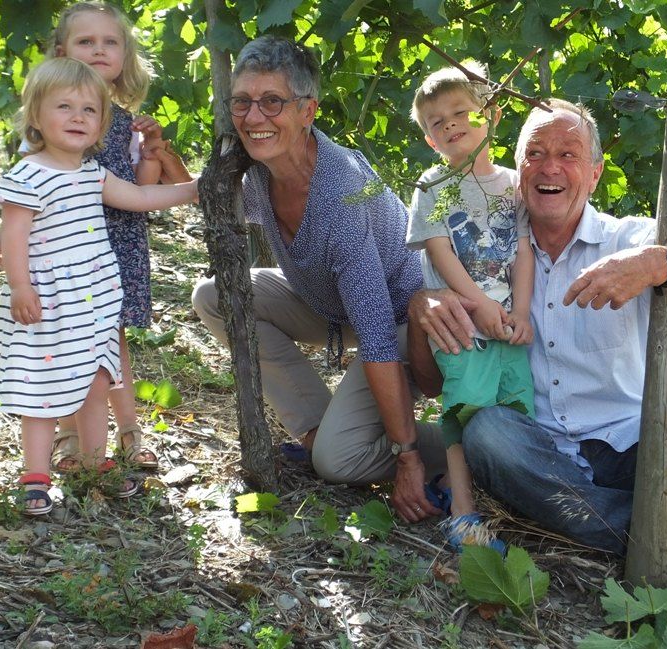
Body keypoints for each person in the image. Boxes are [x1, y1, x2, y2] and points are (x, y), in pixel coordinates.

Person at [408, 98, 667, 604]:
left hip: (640, 452)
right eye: (535, 153)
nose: (550, 167)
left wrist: (658, 265)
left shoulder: (630, 240)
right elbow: (432, 385)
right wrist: (420, 309)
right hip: (539, 461)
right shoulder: (477, 261)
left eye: (569, 154)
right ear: (518, 171)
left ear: (596, 174)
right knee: (488, 432)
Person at [191, 35, 446, 523]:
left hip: (402, 321)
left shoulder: (340, 194)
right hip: (331, 306)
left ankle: (463, 448)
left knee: (340, 462)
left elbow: (376, 335)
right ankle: (316, 430)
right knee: (214, 296)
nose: (253, 116)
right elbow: (212, 197)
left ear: (307, 111)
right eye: (242, 101)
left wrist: (407, 458)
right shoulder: (260, 169)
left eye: (272, 101)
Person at [0, 57, 199, 515]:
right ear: (36, 116)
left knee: (96, 380)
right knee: (44, 386)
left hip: (96, 298)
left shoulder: (92, 173)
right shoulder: (27, 175)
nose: (78, 117)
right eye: (64, 107)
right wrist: (20, 287)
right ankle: (35, 475)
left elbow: (140, 197)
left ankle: (94, 462)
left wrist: (193, 188)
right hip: (49, 302)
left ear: (102, 123)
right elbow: (13, 239)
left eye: (89, 110)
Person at [40, 1, 192, 472]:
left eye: (110, 42)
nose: (99, 50)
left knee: (112, 338)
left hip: (116, 243)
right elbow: (30, 180)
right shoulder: (50, 117)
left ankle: (129, 431)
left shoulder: (128, 122)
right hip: (65, 246)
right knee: (66, 339)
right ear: (62, 51)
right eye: (86, 41)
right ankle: (69, 435)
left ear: (125, 55)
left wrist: (152, 151)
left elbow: (142, 188)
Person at [406, 64, 535, 552]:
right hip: (461, 327)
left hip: (507, 328)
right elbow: (440, 252)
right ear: (429, 140)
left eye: (460, 112)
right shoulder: (433, 186)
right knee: (463, 412)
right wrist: (480, 305)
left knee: (516, 411)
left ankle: (509, 507)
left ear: (491, 114)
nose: (451, 124)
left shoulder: (514, 185)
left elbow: (523, 252)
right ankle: (462, 514)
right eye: (437, 122)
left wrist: (521, 313)